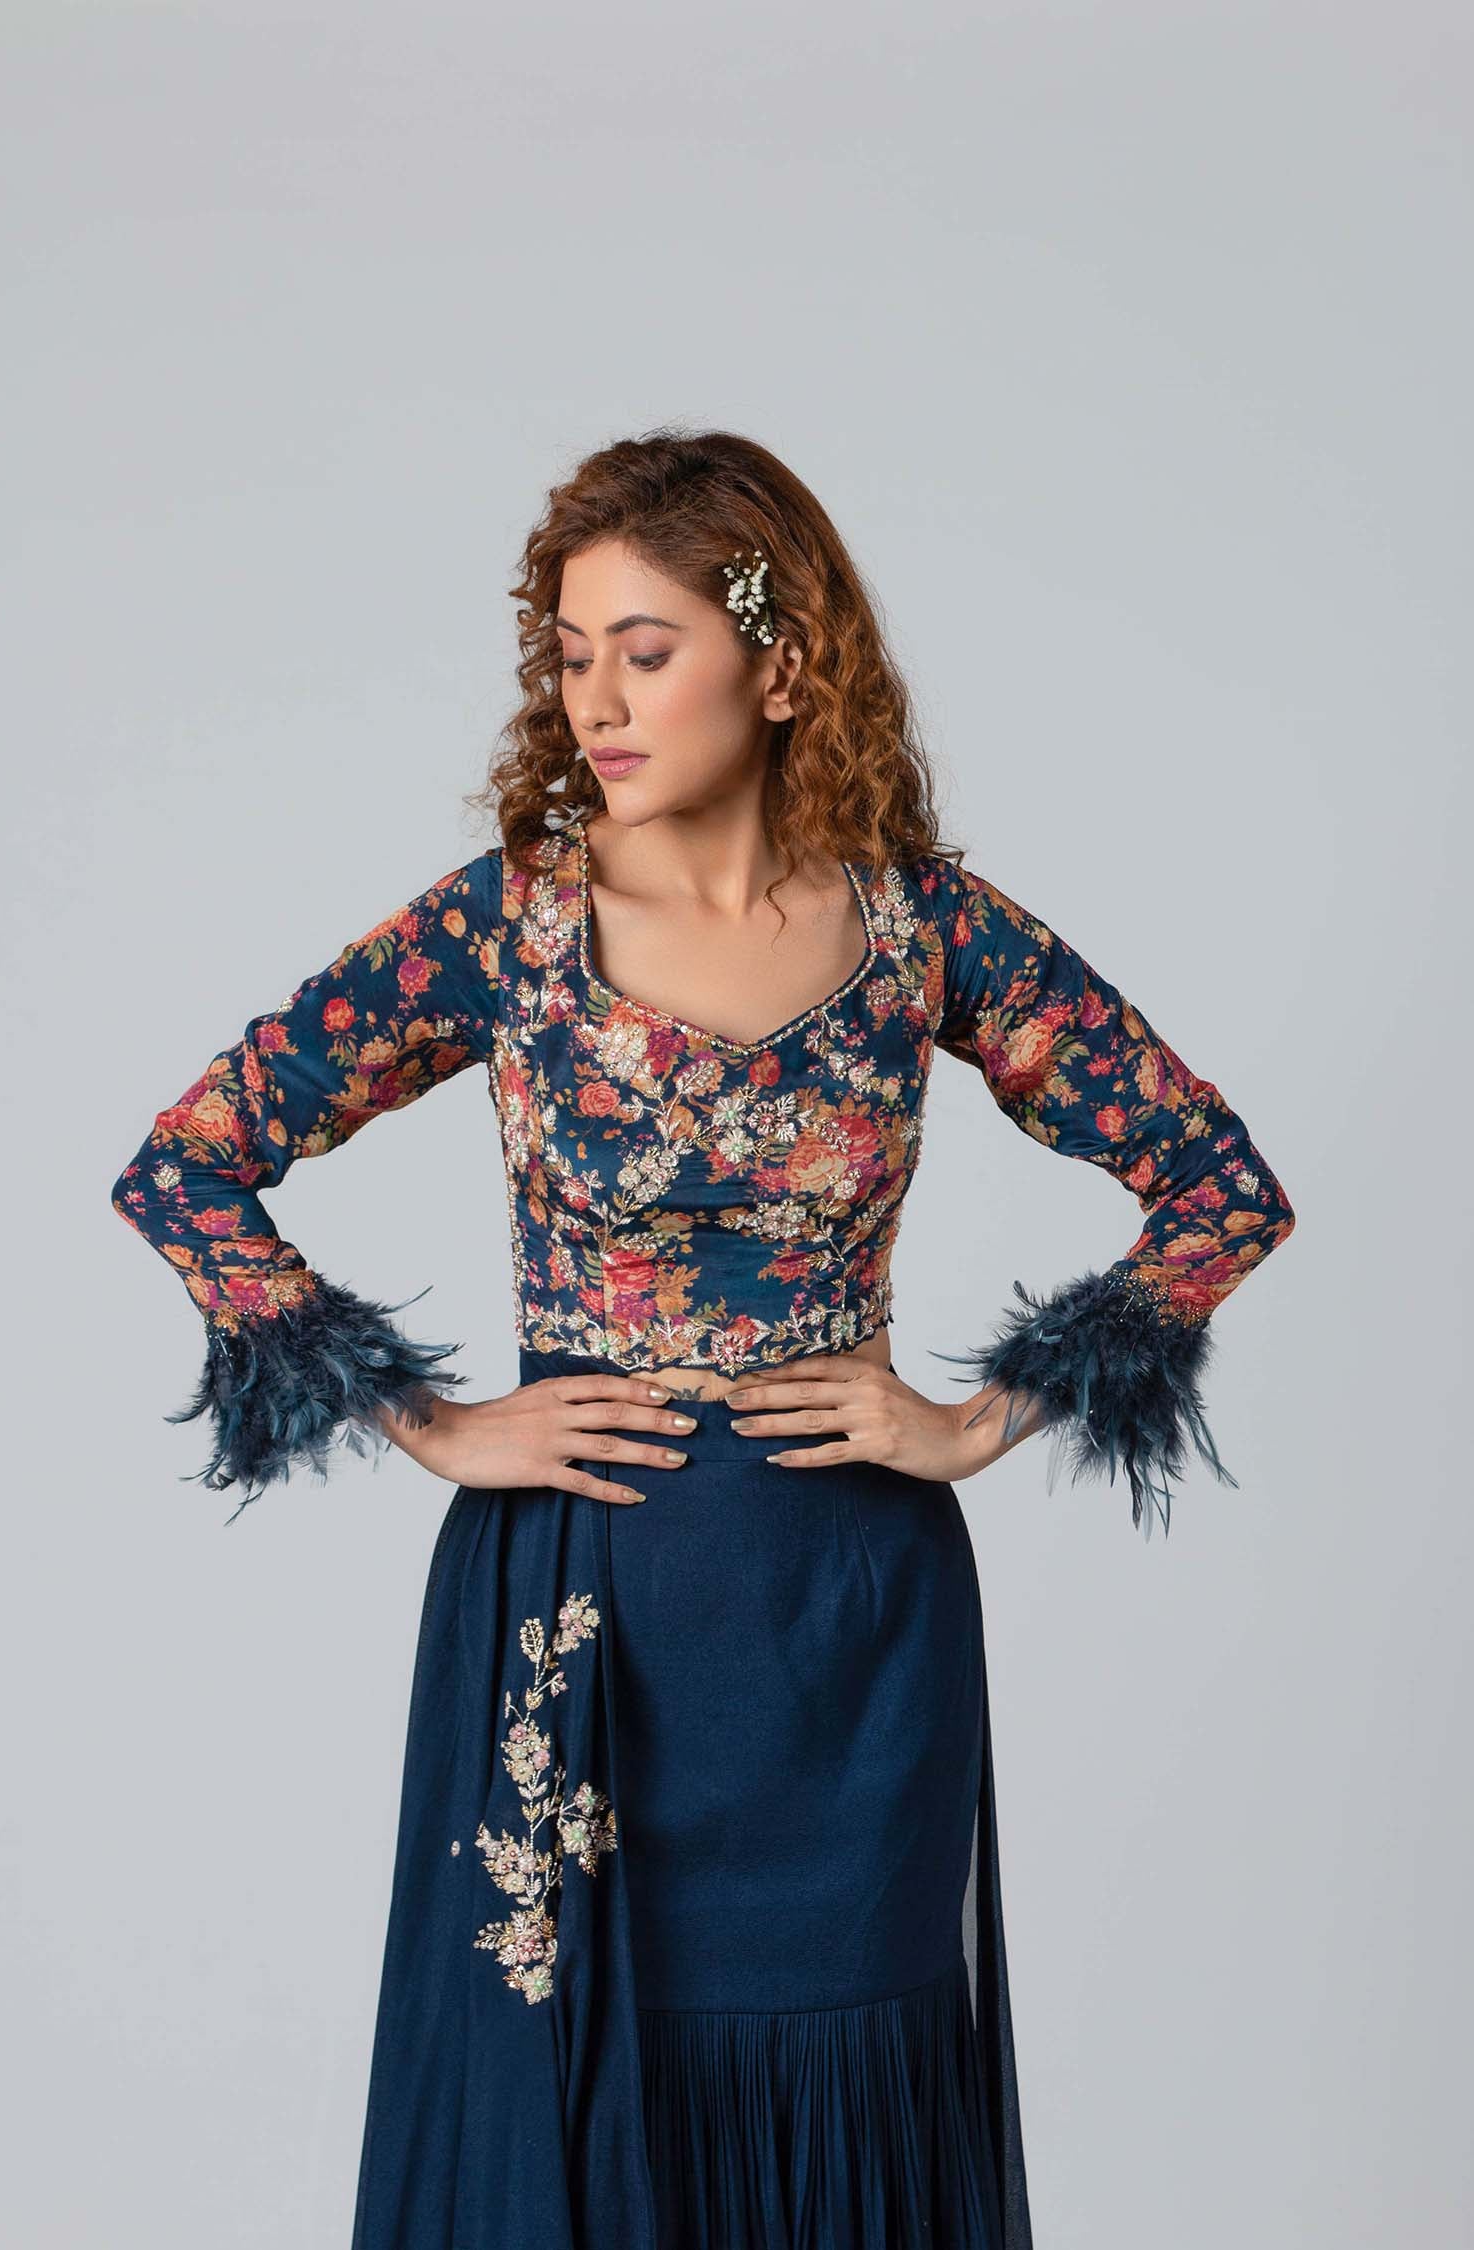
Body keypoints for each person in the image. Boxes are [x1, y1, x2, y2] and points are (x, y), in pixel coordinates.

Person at [110, 427, 1295, 2250]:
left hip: (853, 1629)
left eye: (645, 650)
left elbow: (1218, 1186)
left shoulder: (923, 931)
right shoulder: (511, 927)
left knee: (850, 2099)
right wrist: (435, 1422)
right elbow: (189, 1163)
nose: (596, 698)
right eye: (571, 652)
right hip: (581, 1611)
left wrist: (976, 1422)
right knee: (574, 2101)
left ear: (783, 661)